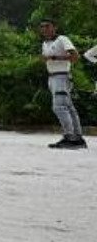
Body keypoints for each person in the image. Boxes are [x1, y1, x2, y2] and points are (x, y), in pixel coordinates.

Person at [39, 19, 86, 149]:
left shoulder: (62, 39)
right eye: (42, 27)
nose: (44, 29)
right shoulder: (45, 43)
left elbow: (75, 56)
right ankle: (77, 137)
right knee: (68, 107)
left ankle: (69, 136)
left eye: (47, 26)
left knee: (59, 107)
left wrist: (55, 58)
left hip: (61, 76)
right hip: (53, 77)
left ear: (55, 27)